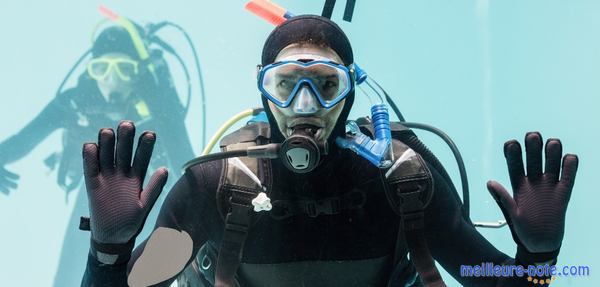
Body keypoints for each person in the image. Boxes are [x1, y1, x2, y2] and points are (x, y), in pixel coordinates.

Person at [79, 15, 578, 287]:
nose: (304, 105)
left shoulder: (403, 180)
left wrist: (538, 259)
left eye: (324, 84)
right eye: (286, 84)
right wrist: (108, 251)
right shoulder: (217, 186)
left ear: (352, 95)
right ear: (263, 94)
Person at [0, 24, 195, 286]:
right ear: (91, 72)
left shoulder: (159, 104)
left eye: (124, 70)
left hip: (152, 192)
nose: (112, 81)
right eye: (102, 69)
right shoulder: (76, 100)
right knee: (70, 272)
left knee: (144, 275)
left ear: (137, 74)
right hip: (97, 190)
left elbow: (188, 165)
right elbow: (21, 142)